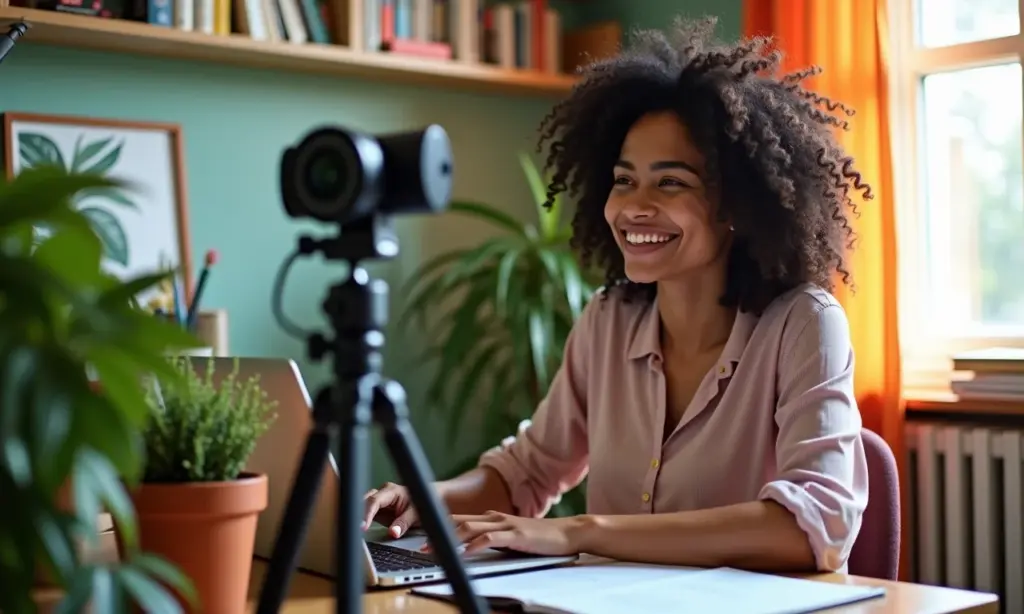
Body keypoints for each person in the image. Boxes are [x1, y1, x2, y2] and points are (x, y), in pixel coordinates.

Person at [364, 15, 870, 574]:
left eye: (670, 183)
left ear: (735, 207)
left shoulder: (803, 325)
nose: (632, 207)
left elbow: (811, 529)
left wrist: (580, 531)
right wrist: (429, 498)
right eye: (624, 180)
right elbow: (526, 472)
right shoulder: (609, 319)